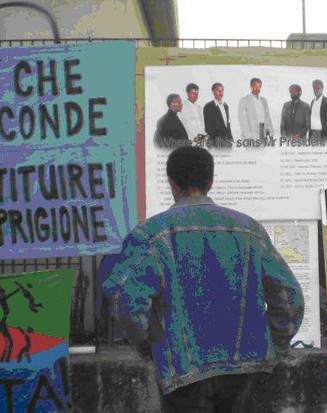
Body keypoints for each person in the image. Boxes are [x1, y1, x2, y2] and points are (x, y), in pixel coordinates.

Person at [103, 146, 304, 413]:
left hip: (181, 368)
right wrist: (274, 344)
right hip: (244, 364)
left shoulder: (151, 235)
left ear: (172, 184)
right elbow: (289, 296)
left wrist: (147, 345)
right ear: (210, 182)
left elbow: (124, 299)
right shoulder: (250, 230)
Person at [238, 78, 274, 145]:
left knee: (261, 153)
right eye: (255, 86)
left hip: (263, 131)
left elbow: (267, 117)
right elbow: (241, 119)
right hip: (251, 133)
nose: (258, 88)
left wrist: (271, 134)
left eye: (259, 86)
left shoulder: (264, 100)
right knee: (251, 153)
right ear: (251, 86)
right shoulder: (244, 100)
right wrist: (248, 136)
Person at [203, 82, 233, 147]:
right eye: (218, 90)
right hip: (216, 142)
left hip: (227, 142)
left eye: (222, 90)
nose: (220, 92)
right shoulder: (208, 106)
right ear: (213, 92)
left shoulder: (226, 106)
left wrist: (231, 139)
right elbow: (208, 128)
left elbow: (228, 124)